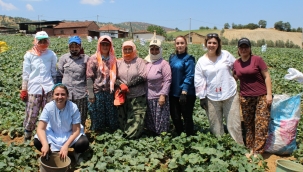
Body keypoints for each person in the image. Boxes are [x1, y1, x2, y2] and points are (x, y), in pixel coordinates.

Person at [194, 33, 244, 145]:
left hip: (230, 94)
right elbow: (199, 80)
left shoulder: (225, 55)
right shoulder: (201, 61)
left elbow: (237, 66)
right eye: (209, 42)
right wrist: (202, 97)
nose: (212, 45)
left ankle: (238, 148)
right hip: (211, 97)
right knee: (215, 125)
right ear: (206, 44)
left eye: (214, 43)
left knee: (233, 124)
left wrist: (234, 77)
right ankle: (220, 147)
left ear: (218, 44)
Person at [233, 38, 272, 157]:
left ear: (250, 48)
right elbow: (234, 78)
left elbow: (267, 77)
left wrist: (269, 94)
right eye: (241, 47)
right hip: (245, 97)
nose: (243, 49)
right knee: (249, 124)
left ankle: (258, 151)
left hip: (261, 96)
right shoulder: (236, 63)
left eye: (246, 47)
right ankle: (251, 148)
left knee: (261, 123)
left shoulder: (257, 60)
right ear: (238, 49)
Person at [34, 84, 89, 161]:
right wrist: (45, 144)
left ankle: (76, 153)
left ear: (67, 96)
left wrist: (66, 145)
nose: (60, 97)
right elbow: (40, 128)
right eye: (57, 94)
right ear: (53, 96)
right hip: (53, 134)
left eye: (63, 94)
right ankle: (49, 152)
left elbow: (76, 130)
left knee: (83, 142)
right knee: (37, 141)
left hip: (69, 134)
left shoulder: (73, 107)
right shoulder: (48, 107)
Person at [20, 31, 57, 141]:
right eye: (40, 41)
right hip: (34, 88)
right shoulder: (29, 55)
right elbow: (26, 73)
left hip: (48, 87)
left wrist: (55, 88)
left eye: (45, 41)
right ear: (36, 41)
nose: (43, 43)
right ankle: (27, 135)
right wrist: (24, 89)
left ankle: (47, 137)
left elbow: (53, 72)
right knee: (31, 113)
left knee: (49, 113)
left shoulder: (51, 54)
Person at [86, 35, 119, 131]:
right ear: (99, 45)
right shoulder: (93, 59)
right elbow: (89, 77)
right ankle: (98, 136)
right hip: (97, 92)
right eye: (103, 44)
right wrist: (91, 94)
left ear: (110, 46)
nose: (105, 46)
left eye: (107, 44)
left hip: (110, 92)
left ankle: (110, 137)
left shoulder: (113, 59)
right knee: (97, 115)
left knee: (111, 115)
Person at [116, 40, 147, 139]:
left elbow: (143, 76)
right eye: (125, 49)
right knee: (123, 118)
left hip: (137, 96)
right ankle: (125, 135)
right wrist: (121, 85)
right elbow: (113, 77)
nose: (128, 51)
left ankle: (128, 137)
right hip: (122, 95)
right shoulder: (119, 62)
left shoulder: (139, 61)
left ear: (134, 49)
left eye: (130, 49)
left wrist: (128, 85)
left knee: (137, 119)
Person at [57, 36, 89, 128]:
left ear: (80, 47)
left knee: (81, 115)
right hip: (66, 93)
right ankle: (67, 134)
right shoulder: (64, 58)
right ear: (69, 47)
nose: (74, 49)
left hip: (80, 93)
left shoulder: (86, 58)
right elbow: (59, 73)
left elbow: (89, 75)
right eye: (72, 46)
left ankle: (80, 135)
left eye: (76, 46)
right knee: (65, 115)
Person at [169, 35, 196, 136]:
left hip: (186, 93)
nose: (179, 45)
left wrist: (184, 92)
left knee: (187, 116)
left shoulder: (189, 59)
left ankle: (189, 136)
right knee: (175, 117)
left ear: (186, 44)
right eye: (177, 43)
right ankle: (180, 135)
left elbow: (189, 76)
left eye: (182, 43)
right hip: (173, 92)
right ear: (175, 45)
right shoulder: (172, 58)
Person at [144, 38, 171, 135]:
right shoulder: (147, 62)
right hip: (149, 96)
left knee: (160, 122)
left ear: (160, 50)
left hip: (159, 98)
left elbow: (167, 80)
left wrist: (163, 95)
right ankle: (152, 141)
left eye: (156, 49)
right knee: (150, 120)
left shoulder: (164, 64)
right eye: (152, 49)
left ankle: (161, 140)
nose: (154, 51)